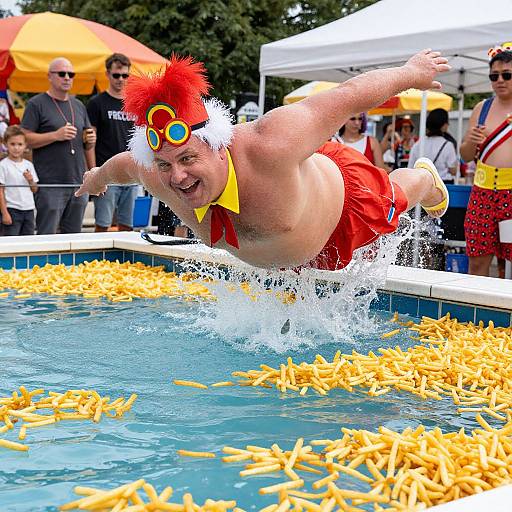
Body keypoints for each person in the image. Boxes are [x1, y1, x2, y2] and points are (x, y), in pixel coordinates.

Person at [77, 50, 450, 272]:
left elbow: (350, 95)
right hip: (294, 258)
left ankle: (425, 179)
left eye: (188, 158)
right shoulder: (157, 172)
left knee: (399, 196)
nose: (177, 176)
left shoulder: (272, 142)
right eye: (165, 164)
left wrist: (411, 73)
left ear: (220, 146)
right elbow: (121, 166)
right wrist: (96, 178)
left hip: (345, 206)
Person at [21, 57, 96, 234]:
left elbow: (87, 141)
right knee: (47, 235)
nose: (67, 77)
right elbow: (25, 138)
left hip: (77, 182)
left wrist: (93, 169)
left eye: (71, 74)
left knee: (74, 237)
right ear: (49, 76)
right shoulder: (36, 103)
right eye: (61, 73)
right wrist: (55, 135)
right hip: (50, 183)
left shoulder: (78, 105)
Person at [460, 43, 512, 277]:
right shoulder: (481, 108)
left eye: (507, 75)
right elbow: (465, 155)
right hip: (482, 193)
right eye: (494, 76)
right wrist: (471, 141)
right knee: (477, 262)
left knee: (508, 265)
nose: (500, 80)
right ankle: (475, 313)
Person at [86, 53, 139, 232]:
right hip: (106, 172)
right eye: (117, 75)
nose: (121, 79)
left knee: (127, 225)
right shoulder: (96, 103)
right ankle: (97, 259)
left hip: (131, 172)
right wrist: (95, 172)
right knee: (103, 224)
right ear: (108, 74)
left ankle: (126, 260)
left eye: (125, 75)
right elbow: (90, 140)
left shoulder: (134, 103)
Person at [0, 125, 39, 236]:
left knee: (28, 240)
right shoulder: (3, 165)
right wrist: (5, 213)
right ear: (5, 144)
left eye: (20, 144)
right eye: (12, 144)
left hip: (29, 209)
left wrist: (31, 180)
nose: (16, 148)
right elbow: (1, 191)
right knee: (11, 241)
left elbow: (35, 189)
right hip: (12, 209)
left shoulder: (28, 165)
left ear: (25, 146)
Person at [409, 108, 457, 184]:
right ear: (444, 125)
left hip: (422, 185)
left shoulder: (418, 144)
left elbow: (411, 167)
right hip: (443, 185)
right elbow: (453, 171)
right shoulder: (448, 145)